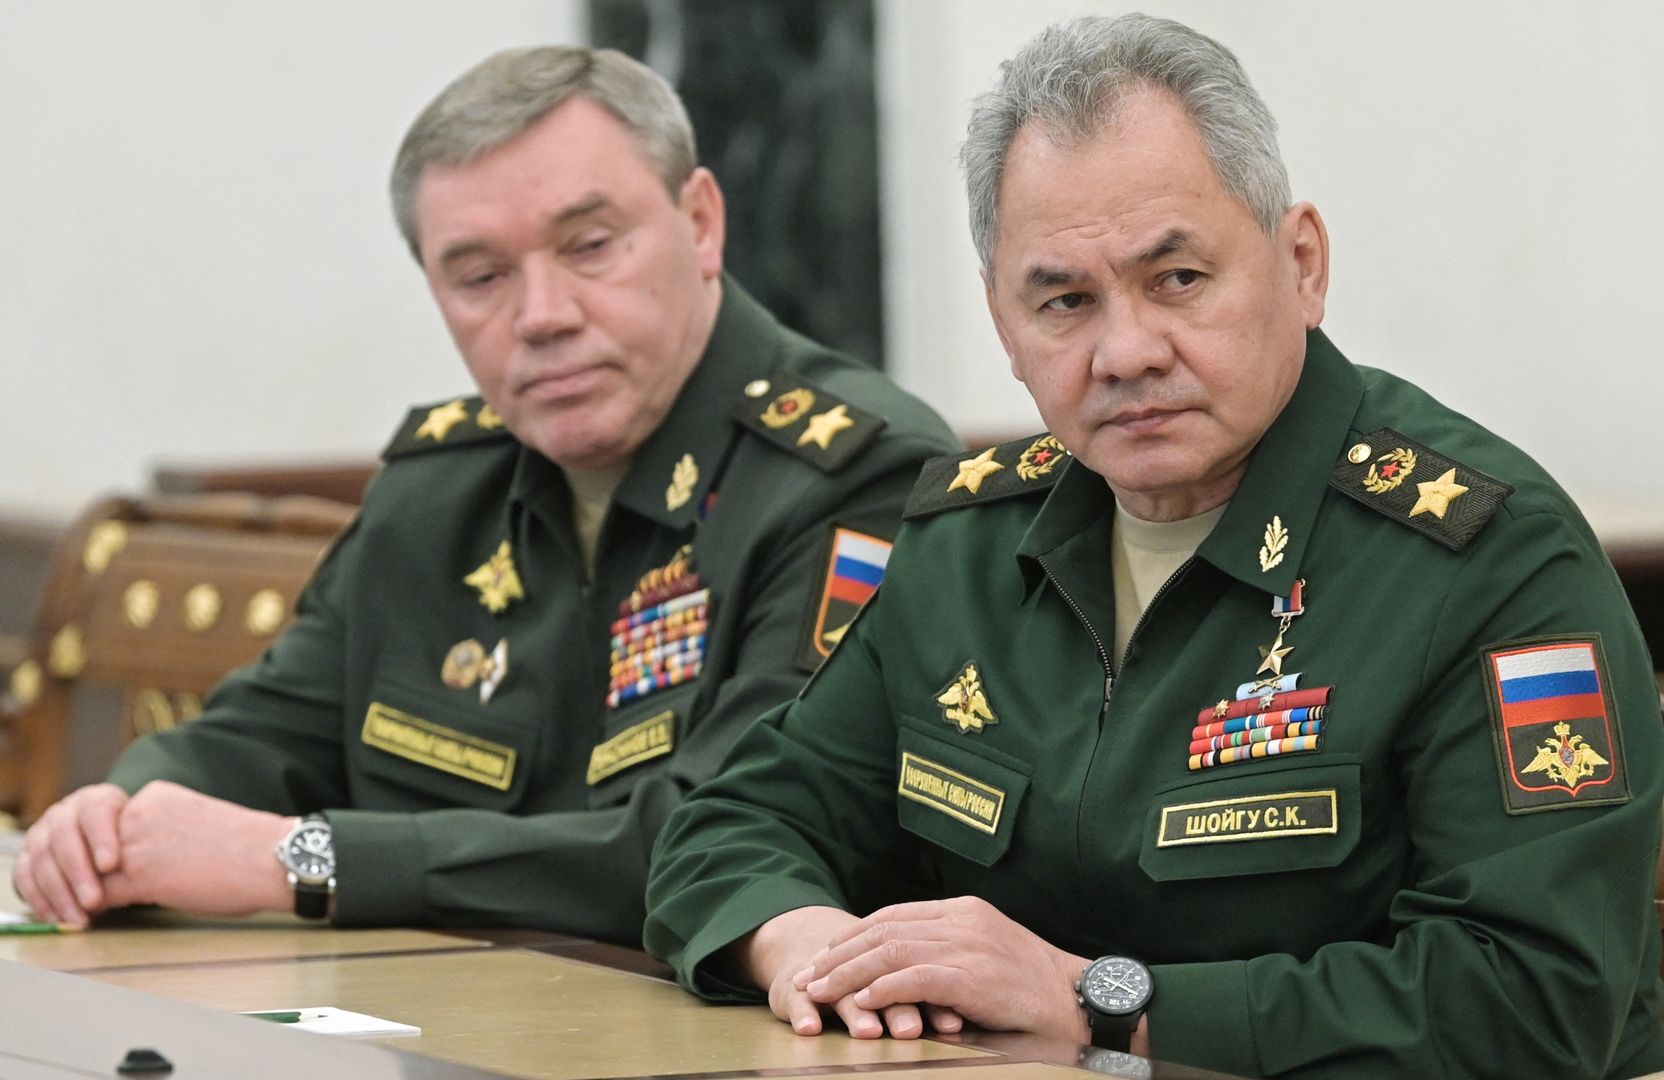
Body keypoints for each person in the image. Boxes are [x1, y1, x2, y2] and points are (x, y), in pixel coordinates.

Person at [643, 14, 1664, 1079]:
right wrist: (814, 947)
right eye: (1065, 301)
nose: (1126, 352)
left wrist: (1094, 1005)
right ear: (1004, 325)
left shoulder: (1487, 560)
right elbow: (734, 823)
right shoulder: (969, 546)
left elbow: (1535, 1005)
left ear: (1303, 265)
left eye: (1178, 279)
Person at [11, 46, 957, 945]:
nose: (541, 316)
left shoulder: (851, 474)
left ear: (701, 223)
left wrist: (309, 861)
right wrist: (115, 821)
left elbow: (719, 842)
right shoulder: (442, 484)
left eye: (590, 247)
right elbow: (258, 735)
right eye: (480, 276)